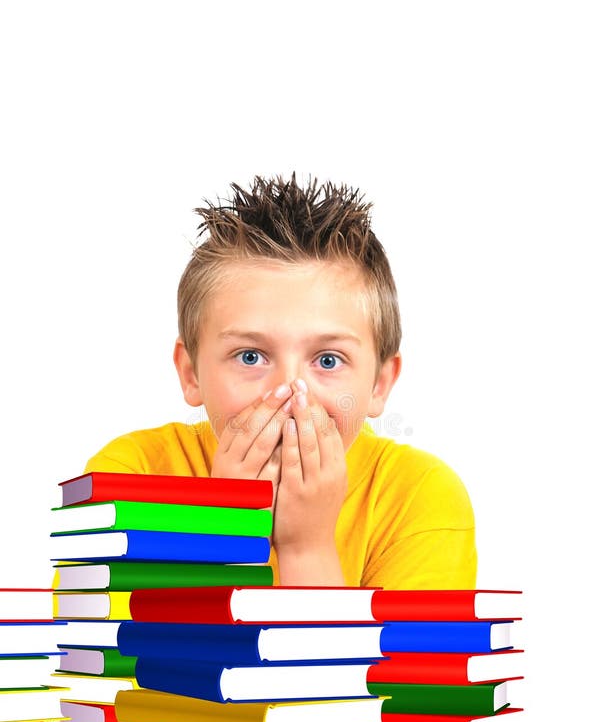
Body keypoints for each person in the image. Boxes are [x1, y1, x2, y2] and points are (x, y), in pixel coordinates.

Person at [86, 174, 477, 589]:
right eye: (250, 356)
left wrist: (306, 548)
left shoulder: (420, 496)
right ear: (190, 373)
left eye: (328, 360)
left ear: (379, 384)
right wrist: (228, 527)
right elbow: (130, 651)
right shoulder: (132, 478)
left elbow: (393, 658)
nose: (291, 393)